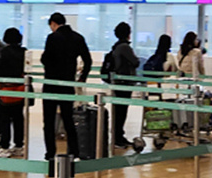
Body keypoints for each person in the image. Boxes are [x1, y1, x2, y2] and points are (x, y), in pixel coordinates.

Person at [41, 12, 92, 160]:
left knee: (49, 121)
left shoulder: (52, 37)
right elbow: (87, 60)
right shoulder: (78, 38)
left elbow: (46, 59)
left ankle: (50, 153)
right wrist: (82, 77)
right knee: (68, 120)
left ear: (53, 24)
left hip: (51, 84)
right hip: (68, 84)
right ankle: (74, 152)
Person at [0, 27, 27, 157]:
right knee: (18, 118)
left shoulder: (4, 52)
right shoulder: (24, 52)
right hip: (20, 89)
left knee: (4, 119)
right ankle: (19, 145)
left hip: (6, 89)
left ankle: (5, 146)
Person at [104, 22, 139, 147]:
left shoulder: (116, 46)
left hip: (118, 82)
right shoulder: (125, 47)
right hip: (124, 83)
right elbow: (135, 62)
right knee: (121, 112)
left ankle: (118, 136)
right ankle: (118, 137)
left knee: (119, 111)